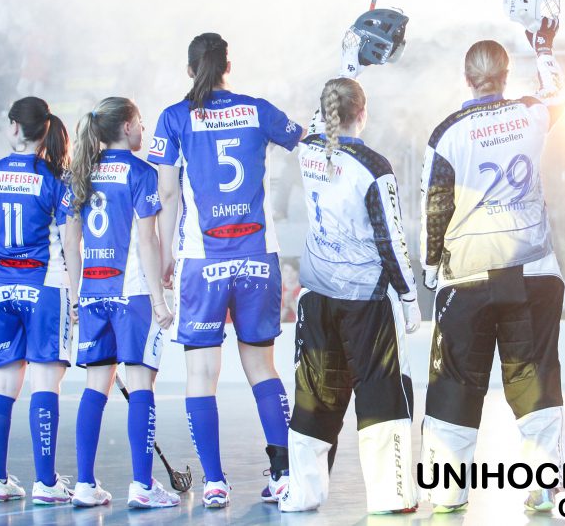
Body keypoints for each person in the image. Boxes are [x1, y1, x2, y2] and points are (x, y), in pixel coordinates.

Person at [147, 33, 304, 508]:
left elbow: (167, 194)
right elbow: (303, 136)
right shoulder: (257, 109)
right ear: (228, 66)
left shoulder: (174, 117)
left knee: (201, 373)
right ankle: (284, 476)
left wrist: (167, 255)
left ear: (190, 69)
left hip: (203, 260)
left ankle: (214, 482)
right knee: (262, 367)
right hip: (258, 256)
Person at [419, 17, 565, 513]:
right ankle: (543, 484)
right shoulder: (530, 113)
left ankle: (447, 491)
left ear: (467, 79)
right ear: (507, 76)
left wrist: (431, 266)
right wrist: (543, 46)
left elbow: (435, 205)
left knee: (456, 382)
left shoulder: (447, 133)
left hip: (468, 276)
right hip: (533, 270)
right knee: (534, 376)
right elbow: (559, 94)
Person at [281, 31, 420, 514]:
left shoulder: (308, 149)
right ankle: (391, 496)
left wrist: (348, 64)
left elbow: (318, 118)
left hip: (317, 296)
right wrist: (409, 297)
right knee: (381, 394)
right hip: (365, 301)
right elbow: (391, 239)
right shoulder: (374, 167)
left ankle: (302, 494)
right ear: (364, 113)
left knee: (314, 397)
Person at [62, 97, 178, 509]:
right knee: (142, 384)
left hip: (93, 293)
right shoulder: (141, 172)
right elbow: (147, 240)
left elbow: (70, 244)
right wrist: (159, 300)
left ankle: (84, 485)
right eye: (140, 122)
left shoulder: (80, 173)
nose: (143, 129)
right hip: (132, 294)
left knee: (95, 388)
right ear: (127, 126)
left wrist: (75, 296)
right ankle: (142, 486)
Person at [0, 96, 73, 504]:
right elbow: (69, 243)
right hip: (44, 286)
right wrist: (78, 294)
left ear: (15, 127)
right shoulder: (57, 178)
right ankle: (46, 483)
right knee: (44, 382)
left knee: (2, 382)